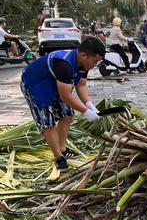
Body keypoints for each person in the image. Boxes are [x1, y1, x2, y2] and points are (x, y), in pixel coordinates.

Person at [20, 37, 105, 170]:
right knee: (47, 122)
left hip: (55, 82)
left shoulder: (84, 63)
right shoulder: (64, 64)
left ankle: (63, 148)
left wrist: (88, 104)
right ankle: (59, 157)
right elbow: (65, 96)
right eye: (94, 61)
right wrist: (85, 112)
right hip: (36, 84)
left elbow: (81, 84)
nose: (94, 65)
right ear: (83, 55)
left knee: (67, 115)